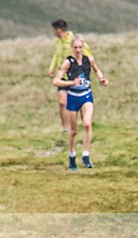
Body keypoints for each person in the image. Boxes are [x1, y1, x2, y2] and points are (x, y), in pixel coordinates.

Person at [53, 36, 108, 170]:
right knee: (73, 131)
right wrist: (71, 83)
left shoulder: (88, 60)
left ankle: (86, 154)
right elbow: (56, 81)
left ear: (83, 48)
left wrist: (102, 78)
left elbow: (97, 69)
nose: (78, 50)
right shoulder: (68, 62)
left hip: (86, 95)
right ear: (72, 48)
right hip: (73, 97)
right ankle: (72, 156)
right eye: (75, 47)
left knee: (87, 124)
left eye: (80, 47)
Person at [47, 19, 94, 133]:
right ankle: (66, 128)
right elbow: (56, 54)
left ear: (59, 30)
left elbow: (87, 53)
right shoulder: (58, 41)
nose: (53, 32)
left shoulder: (73, 41)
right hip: (63, 76)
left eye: (54, 30)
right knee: (62, 102)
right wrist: (51, 68)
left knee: (81, 104)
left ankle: (85, 126)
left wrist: (89, 67)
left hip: (75, 76)